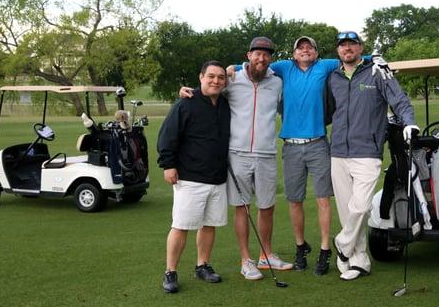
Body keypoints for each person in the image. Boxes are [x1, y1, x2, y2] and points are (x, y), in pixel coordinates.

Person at [227, 36, 391, 275]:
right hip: (291, 147)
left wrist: (372, 57)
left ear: (316, 52)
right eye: (300, 48)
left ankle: (325, 249)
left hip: (318, 144)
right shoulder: (283, 67)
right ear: (293, 53)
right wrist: (234, 67)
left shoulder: (324, 66)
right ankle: (300, 245)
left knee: (323, 199)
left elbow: (350, 57)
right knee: (295, 200)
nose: (305, 50)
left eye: (310, 47)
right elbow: (257, 63)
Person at [180, 37, 293, 281]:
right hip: (237, 155)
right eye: (257, 54)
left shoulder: (277, 82)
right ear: (248, 55)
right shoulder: (232, 78)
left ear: (270, 58)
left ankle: (266, 255)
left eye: (266, 54)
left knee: (267, 207)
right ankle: (245, 260)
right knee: (242, 209)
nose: (261, 58)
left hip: (266, 154)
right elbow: (209, 86)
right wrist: (186, 90)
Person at [327, 31, 418, 281]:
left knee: (362, 206)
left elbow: (399, 101)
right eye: (343, 45)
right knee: (347, 210)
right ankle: (359, 260)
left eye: (352, 44)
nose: (348, 48)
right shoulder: (333, 77)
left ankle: (342, 244)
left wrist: (409, 122)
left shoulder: (377, 71)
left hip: (367, 150)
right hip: (338, 152)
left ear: (360, 48)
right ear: (338, 50)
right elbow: (328, 111)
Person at [157, 60, 231, 293]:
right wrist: (168, 165)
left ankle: (202, 265)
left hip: (217, 179)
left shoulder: (225, 104)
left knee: (209, 225)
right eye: (211, 76)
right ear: (201, 77)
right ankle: (170, 272)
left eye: (220, 77)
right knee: (181, 226)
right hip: (190, 178)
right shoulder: (185, 104)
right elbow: (167, 136)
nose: (216, 81)